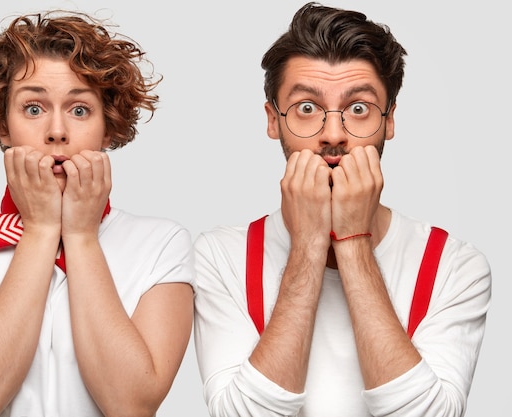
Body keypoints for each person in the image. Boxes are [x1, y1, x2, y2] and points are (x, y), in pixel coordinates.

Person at [193, 3, 491, 416]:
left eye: (358, 109)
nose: (333, 135)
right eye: (307, 108)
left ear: (389, 121)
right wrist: (309, 245)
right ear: (273, 121)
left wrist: (352, 241)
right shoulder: (220, 256)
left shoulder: (454, 265)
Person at [0, 10, 194, 417]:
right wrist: (41, 229)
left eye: (79, 110)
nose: (57, 131)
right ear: (2, 125)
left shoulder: (163, 244)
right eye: (33, 108)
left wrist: (80, 237)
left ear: (107, 128)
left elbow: (131, 405)